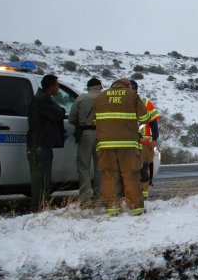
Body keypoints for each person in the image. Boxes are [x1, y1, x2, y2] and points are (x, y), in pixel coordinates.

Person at [93, 78, 150, 216]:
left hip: (105, 144)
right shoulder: (132, 95)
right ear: (128, 86)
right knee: (130, 175)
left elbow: (95, 120)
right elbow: (144, 118)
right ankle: (136, 208)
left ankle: (112, 208)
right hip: (128, 144)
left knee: (109, 175)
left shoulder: (100, 96)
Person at [27, 74, 66, 212]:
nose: (58, 88)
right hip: (40, 143)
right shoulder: (43, 99)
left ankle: (41, 205)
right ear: (51, 86)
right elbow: (58, 113)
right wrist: (61, 110)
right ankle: (40, 207)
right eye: (57, 85)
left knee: (41, 176)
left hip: (39, 142)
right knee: (42, 177)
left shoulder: (42, 98)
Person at [68, 77, 103, 204]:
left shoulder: (81, 98)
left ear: (88, 87)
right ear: (100, 87)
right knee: (100, 166)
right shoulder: (105, 98)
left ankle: (86, 198)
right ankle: (100, 197)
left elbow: (72, 118)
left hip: (85, 133)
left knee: (84, 166)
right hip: (102, 134)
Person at [129, 80, 160, 199]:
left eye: (132, 88)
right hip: (128, 142)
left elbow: (153, 122)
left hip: (144, 143)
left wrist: (155, 138)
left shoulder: (145, 102)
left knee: (144, 169)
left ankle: (144, 195)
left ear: (136, 89)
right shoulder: (123, 102)